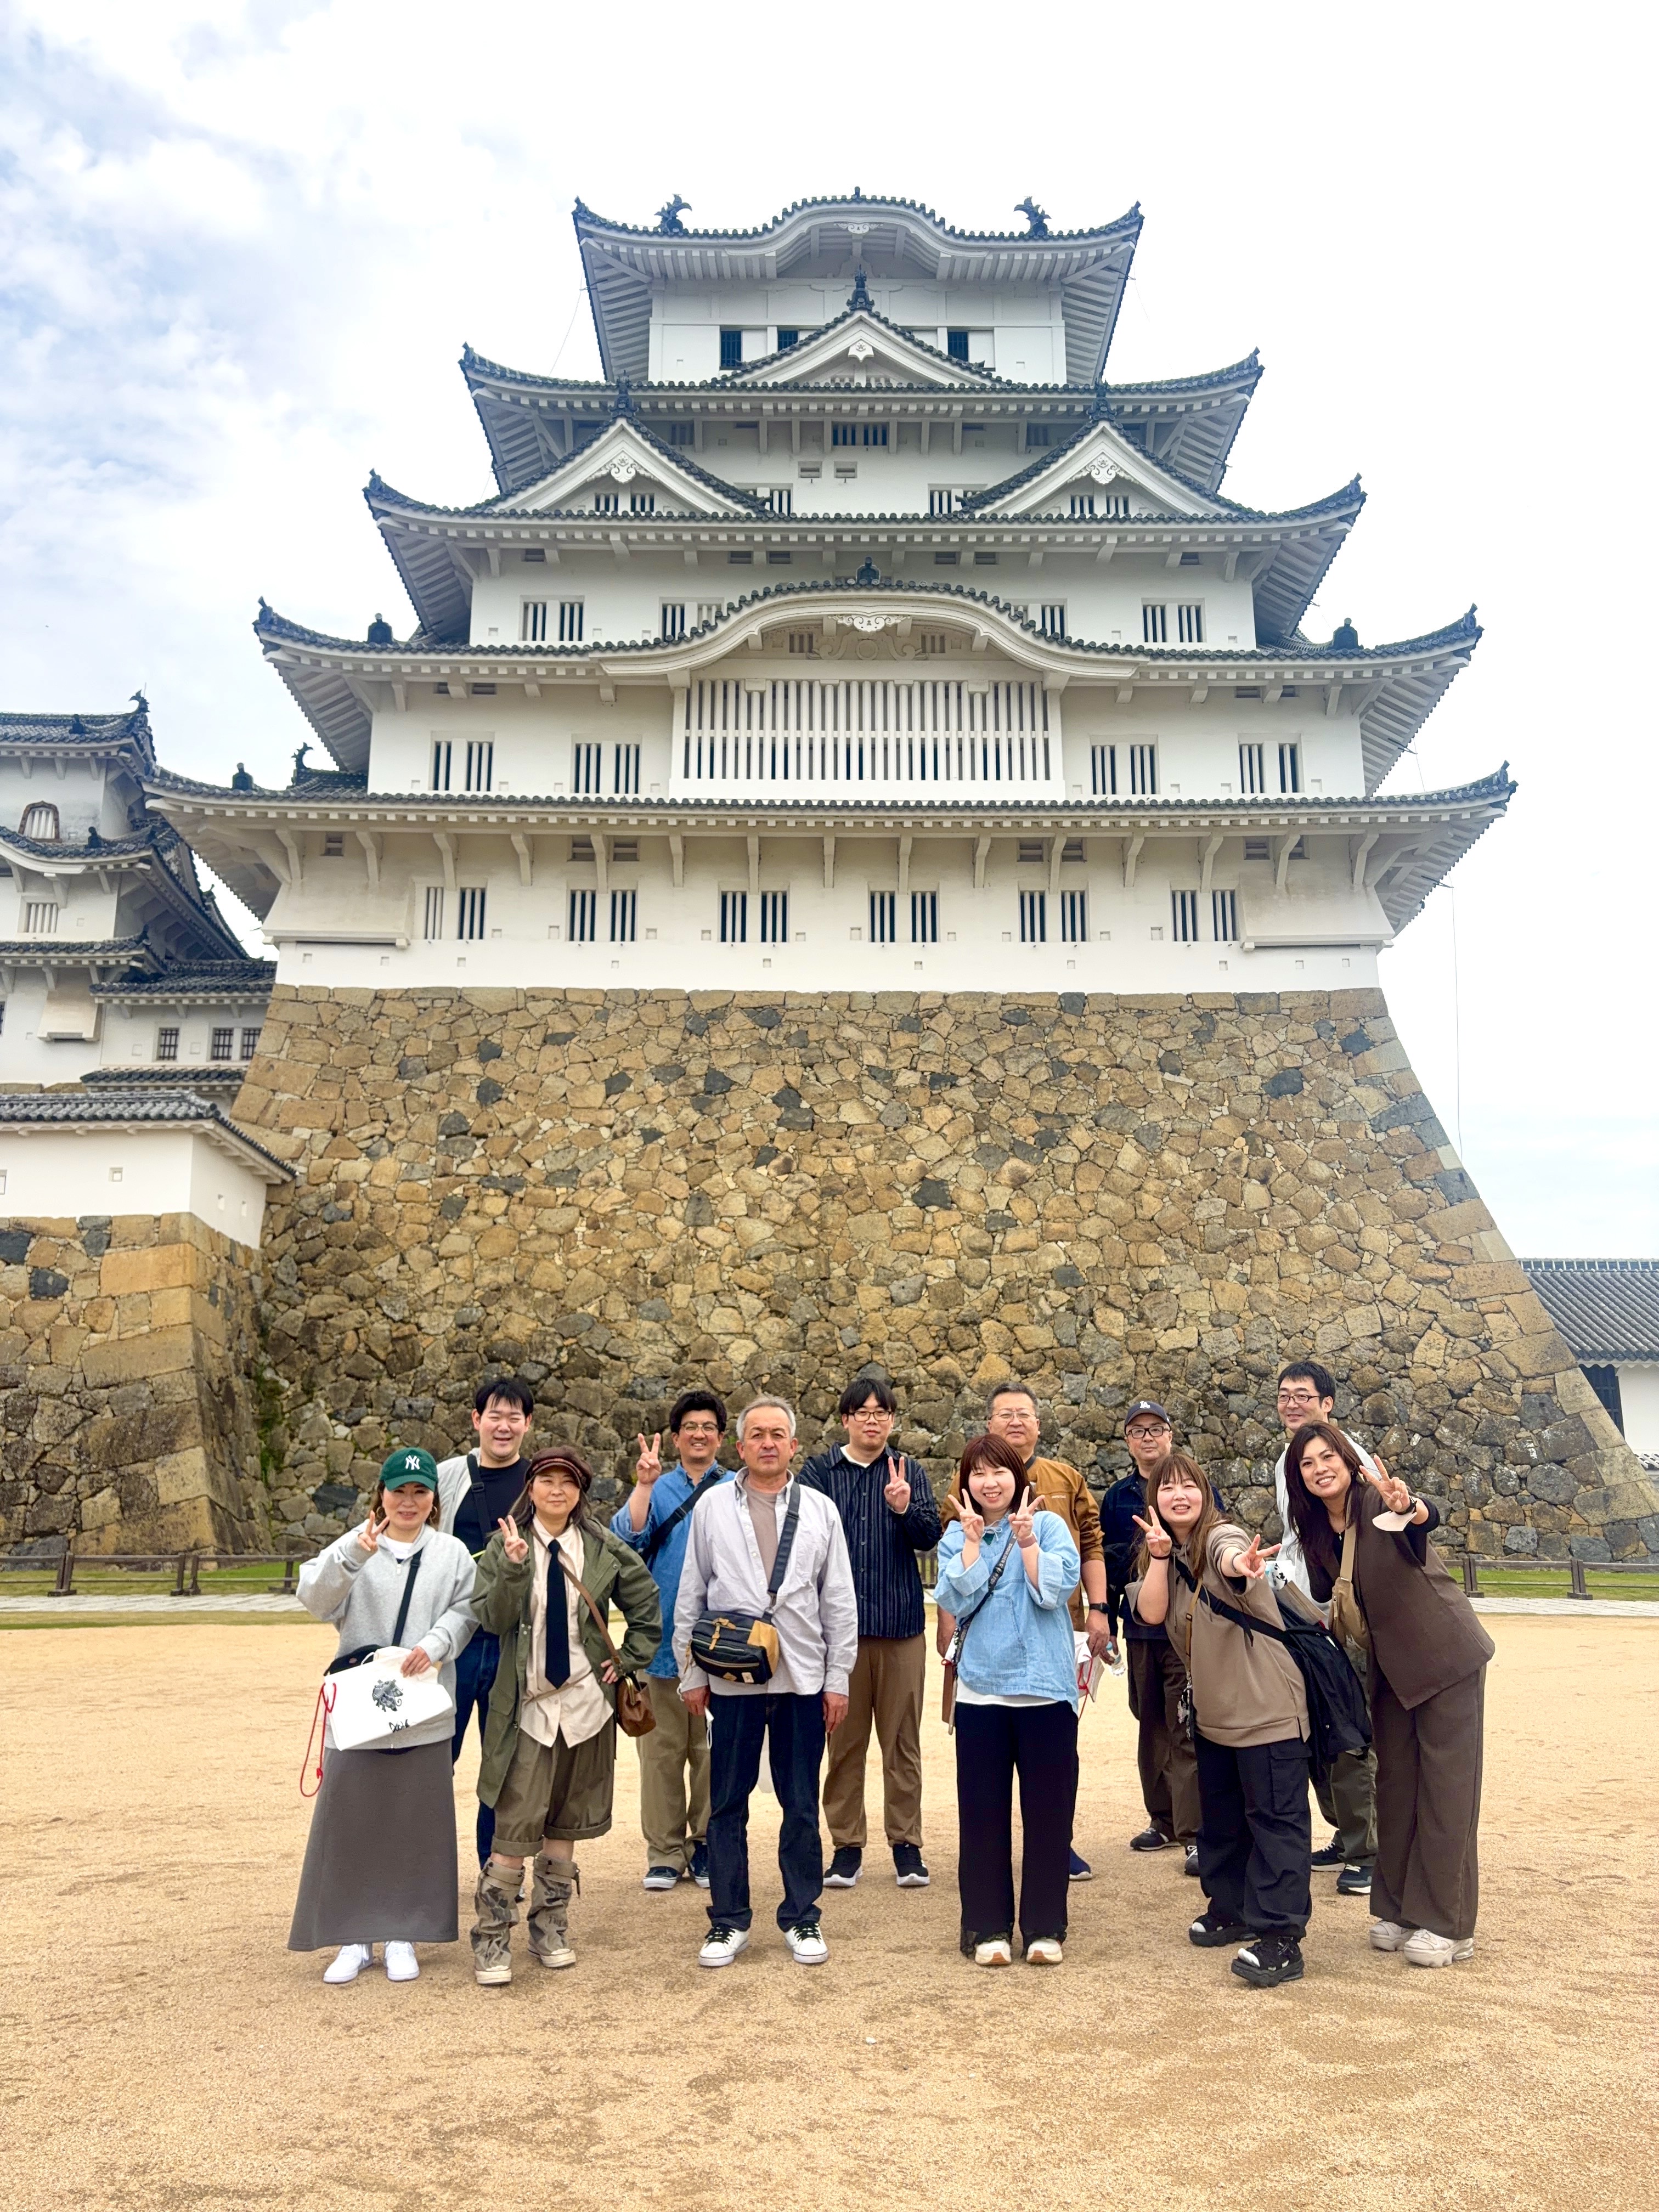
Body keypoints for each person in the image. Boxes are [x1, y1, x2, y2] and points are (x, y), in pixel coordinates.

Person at [1283, 1422, 1494, 1968]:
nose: (1320, 1469)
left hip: (1444, 1657)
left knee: (1447, 1792)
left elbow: (1421, 1518)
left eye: (1328, 1456)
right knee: (1396, 1788)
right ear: (1297, 1477)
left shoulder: (1378, 1500)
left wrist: (1411, 1505)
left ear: (1347, 1459)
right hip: (1390, 1671)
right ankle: (1400, 1909)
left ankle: (1449, 1924)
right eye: (1307, 1463)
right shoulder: (1315, 1530)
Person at [673, 1396, 858, 1970]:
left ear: (794, 1445)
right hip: (731, 1677)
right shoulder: (712, 1508)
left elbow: (839, 1600)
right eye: (757, 1434)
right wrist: (691, 1671)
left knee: (800, 1802)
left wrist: (838, 1679)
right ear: (740, 1446)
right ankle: (728, 1920)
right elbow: (692, 1590)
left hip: (802, 1677)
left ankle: (802, 1914)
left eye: (779, 1434)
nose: (768, 1443)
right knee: (727, 1803)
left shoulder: (821, 1510)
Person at [467, 1446, 661, 1987]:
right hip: (527, 1708)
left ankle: (550, 1927)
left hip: (585, 1704)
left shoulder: (601, 1547)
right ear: (531, 1488)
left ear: (580, 1493)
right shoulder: (505, 1544)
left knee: (565, 1824)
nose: (557, 1490)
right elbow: (492, 1618)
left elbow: (647, 1605)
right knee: (514, 1824)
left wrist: (628, 1659)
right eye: (547, 1480)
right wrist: (512, 1569)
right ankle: (492, 1936)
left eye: (568, 1482)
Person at [290, 1447, 478, 1985]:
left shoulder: (452, 1553)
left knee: (415, 1823)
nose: (409, 1502)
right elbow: (313, 1597)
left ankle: (403, 1934)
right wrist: (353, 1556)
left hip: (423, 1704)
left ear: (433, 1500)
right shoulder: (358, 1543)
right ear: (382, 1495)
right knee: (352, 1820)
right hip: (360, 1707)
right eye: (399, 1491)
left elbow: (468, 1609)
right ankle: (353, 1937)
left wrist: (436, 1644)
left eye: (420, 1492)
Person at [1131, 1451, 1312, 1989]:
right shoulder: (1164, 1553)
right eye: (1167, 1488)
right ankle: (1232, 1909)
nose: (1179, 1495)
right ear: (1154, 1499)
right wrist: (1159, 1557)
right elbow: (1150, 1612)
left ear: (1205, 1494)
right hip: (1213, 1717)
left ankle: (1281, 1937)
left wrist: (1242, 1564)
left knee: (1275, 1821)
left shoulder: (1218, 1537)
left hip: (1267, 1710)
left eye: (1189, 1485)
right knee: (1223, 1821)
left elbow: (1231, 1556)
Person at [940, 1381, 1109, 1880]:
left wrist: (1099, 1608)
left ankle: (1059, 1846)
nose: (1015, 1422)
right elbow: (954, 1567)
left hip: (1051, 1638)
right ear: (989, 1425)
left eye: (1024, 1414)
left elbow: (1091, 1544)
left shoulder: (1064, 1481)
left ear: (1038, 1424)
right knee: (984, 1793)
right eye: (1005, 1414)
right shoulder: (963, 1495)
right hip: (984, 1661)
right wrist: (948, 1630)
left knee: (1054, 1769)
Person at [935, 1434, 1081, 1967]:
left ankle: (1045, 1927)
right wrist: (974, 1544)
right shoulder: (957, 1534)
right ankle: (986, 1927)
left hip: (1045, 1692)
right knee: (982, 1815)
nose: (989, 1482)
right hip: (981, 1692)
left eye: (999, 1471)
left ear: (1017, 1476)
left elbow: (1055, 1593)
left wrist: (1027, 1543)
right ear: (966, 1482)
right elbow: (955, 1598)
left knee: (1049, 1816)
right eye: (978, 1473)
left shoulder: (1049, 1525)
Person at [800, 1375, 943, 1891]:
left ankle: (907, 1844)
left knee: (902, 1742)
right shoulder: (819, 1472)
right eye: (862, 1412)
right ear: (845, 1419)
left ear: (892, 1420)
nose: (872, 1421)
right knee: (843, 1742)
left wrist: (904, 1507)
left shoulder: (908, 1470)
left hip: (901, 1626)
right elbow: (804, 1540)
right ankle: (846, 1846)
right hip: (839, 1634)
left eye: (882, 1413)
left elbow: (930, 1536)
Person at [610, 1389, 735, 1891]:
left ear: (721, 1438)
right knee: (660, 1753)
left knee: (710, 1753)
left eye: (708, 1427)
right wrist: (643, 1485)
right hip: (660, 1639)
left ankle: (705, 1844)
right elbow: (627, 1540)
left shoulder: (736, 1487)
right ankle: (664, 1850)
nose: (699, 1435)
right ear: (677, 1437)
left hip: (722, 1643)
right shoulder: (657, 1488)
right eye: (690, 1428)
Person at [1271, 1361, 1378, 1899]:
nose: (1292, 1404)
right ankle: (1346, 1834)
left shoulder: (1349, 1458)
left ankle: (1370, 1849)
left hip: (1345, 1618)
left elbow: (1379, 1525)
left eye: (1303, 1395)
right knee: (1320, 1729)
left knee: (1350, 1733)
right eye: (1284, 1396)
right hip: (1305, 1613)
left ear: (1327, 1403)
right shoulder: (1288, 1461)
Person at [436, 1375, 537, 1868]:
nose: (503, 1426)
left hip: (514, 1640)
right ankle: (425, 1870)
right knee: (435, 1757)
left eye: (514, 1417)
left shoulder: (541, 1481)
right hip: (454, 1640)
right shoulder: (446, 1477)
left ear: (528, 1424)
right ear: (476, 1420)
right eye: (494, 1415)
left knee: (505, 1764)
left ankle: (494, 1870)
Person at [1099, 1401, 1204, 1877]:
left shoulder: (1193, 1487)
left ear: (1170, 1434)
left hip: (1184, 1628)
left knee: (1186, 1725)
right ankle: (1162, 1818)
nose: (1148, 1438)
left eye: (1156, 1429)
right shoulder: (1117, 1497)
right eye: (1138, 1431)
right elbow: (1108, 1563)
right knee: (1150, 1723)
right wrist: (1107, 1620)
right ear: (1128, 1441)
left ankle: (1195, 1831)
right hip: (1140, 1628)